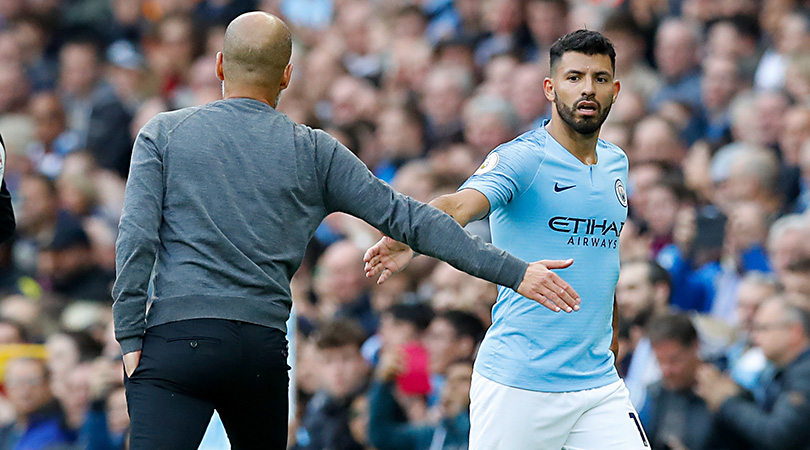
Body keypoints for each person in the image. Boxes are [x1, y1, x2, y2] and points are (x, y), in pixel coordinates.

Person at [113, 12, 579, 450]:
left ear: (219, 65)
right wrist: (515, 273)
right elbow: (413, 220)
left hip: (177, 340)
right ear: (287, 75)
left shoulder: (164, 133)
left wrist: (129, 334)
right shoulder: (315, 151)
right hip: (259, 350)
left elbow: (136, 239)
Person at [365, 30, 649, 449]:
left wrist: (611, 334)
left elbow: (602, 259)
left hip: (597, 383)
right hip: (520, 382)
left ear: (615, 90)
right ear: (550, 88)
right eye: (574, 77)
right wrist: (412, 234)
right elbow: (460, 205)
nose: (588, 88)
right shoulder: (523, 157)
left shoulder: (615, 162)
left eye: (600, 78)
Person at [696, 295, 810, 450]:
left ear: (795, 332)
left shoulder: (805, 373)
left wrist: (726, 402)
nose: (754, 337)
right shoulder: (788, 369)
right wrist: (737, 395)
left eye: (763, 328)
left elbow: (778, 436)